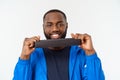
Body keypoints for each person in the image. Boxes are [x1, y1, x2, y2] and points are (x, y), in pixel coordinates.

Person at [13, 9, 105, 80]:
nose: (55, 29)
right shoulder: (33, 54)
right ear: (43, 27)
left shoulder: (80, 53)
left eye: (60, 24)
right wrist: (24, 57)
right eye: (49, 25)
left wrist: (90, 52)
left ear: (66, 25)